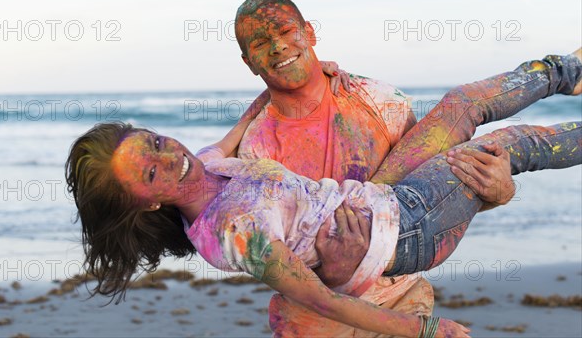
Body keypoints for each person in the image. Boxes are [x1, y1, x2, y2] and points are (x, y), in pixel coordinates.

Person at [66, 56, 581, 337]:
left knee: (462, 103)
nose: (171, 158)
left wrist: (276, 88)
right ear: (147, 204)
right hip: (406, 231)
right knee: (509, 145)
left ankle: (570, 71)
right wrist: (422, 331)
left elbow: (239, 124)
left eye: (156, 142)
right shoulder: (234, 233)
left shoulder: (209, 161)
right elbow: (319, 298)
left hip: (379, 195)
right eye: (152, 173)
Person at [234, 0, 516, 336]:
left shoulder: (381, 101)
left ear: (308, 32)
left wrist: (498, 191)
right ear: (249, 62)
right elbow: (274, 260)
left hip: (403, 299)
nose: (277, 46)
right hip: (314, 321)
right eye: (261, 42)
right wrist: (335, 273)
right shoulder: (255, 150)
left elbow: (431, 202)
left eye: (284, 31)